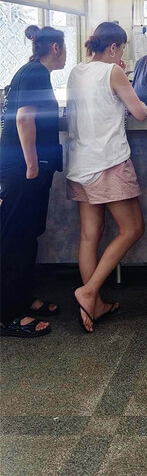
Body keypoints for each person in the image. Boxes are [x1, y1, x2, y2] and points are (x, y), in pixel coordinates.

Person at [66, 22, 147, 332]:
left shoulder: (76, 71)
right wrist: (121, 76)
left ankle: (94, 303)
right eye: (122, 48)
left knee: (90, 236)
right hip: (108, 161)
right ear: (113, 47)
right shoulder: (112, 72)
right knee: (133, 228)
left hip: (79, 162)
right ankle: (88, 292)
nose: (122, 54)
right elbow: (140, 112)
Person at [0, 26, 66, 337]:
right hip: (22, 169)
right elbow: (24, 118)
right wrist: (30, 165)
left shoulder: (34, 72)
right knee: (14, 239)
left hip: (29, 167)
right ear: (55, 47)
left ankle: (24, 299)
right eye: (64, 49)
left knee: (27, 237)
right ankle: (7, 315)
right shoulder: (35, 73)